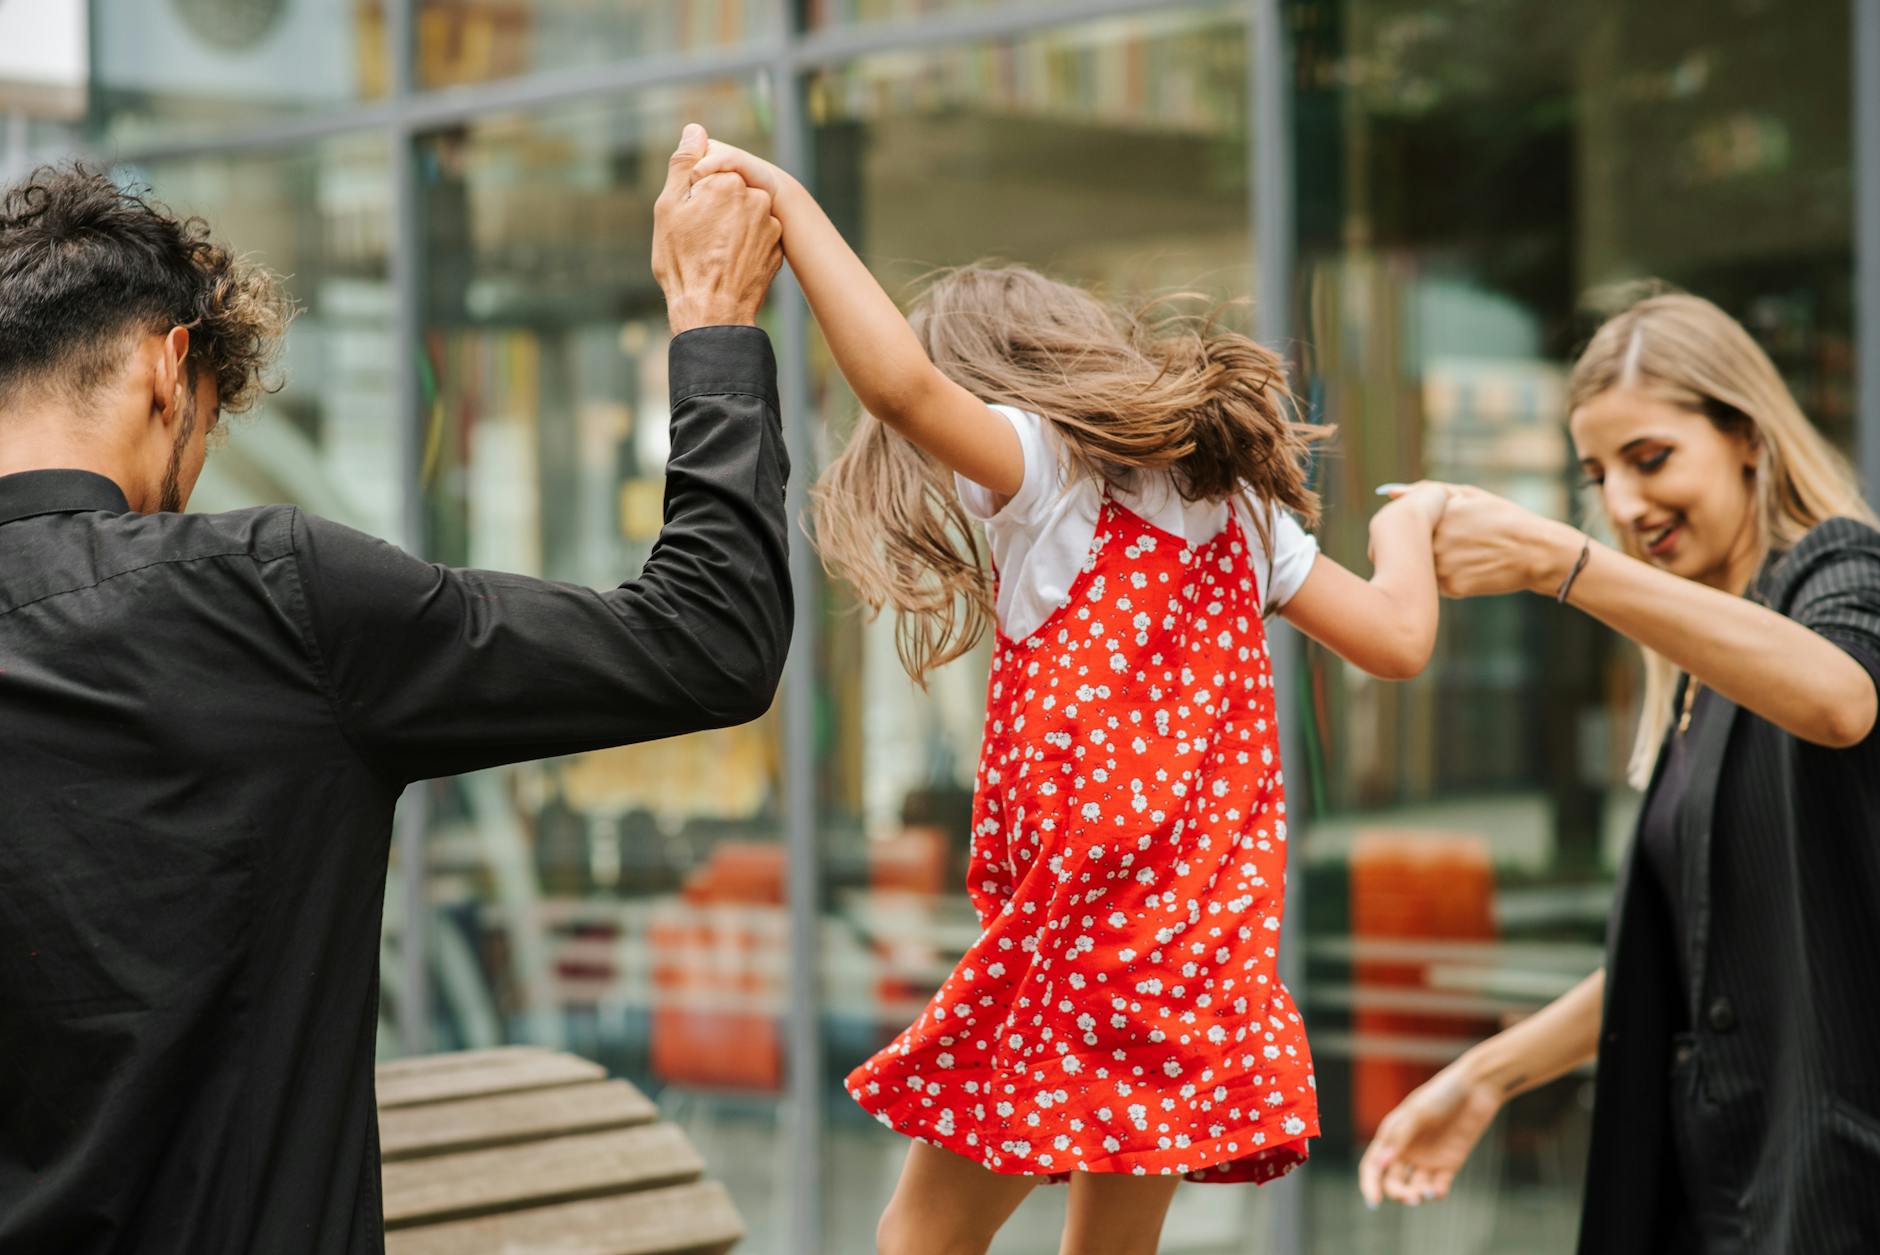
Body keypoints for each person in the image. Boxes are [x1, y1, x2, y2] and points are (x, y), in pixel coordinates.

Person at [0, 126, 788, 1254]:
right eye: (211, 428)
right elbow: (707, 638)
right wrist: (712, 321)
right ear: (169, 371)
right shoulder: (273, 599)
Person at [686, 141, 1451, 1255]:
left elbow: (897, 386)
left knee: (920, 1238)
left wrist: (789, 202)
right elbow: (1397, 638)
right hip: (1193, 960)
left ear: (998, 384)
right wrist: (1409, 525)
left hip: (1078, 945)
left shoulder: (1048, 477)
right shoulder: (1240, 516)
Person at [1358, 291, 1880, 1253]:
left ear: (1748, 438)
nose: (1629, 504)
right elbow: (1690, 948)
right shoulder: (1702, 670)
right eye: (1599, 476)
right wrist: (1487, 1075)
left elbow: (1842, 700)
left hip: (1830, 1181)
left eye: (1651, 458)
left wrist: (1561, 560)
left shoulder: (1838, 573)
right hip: (1721, 1177)